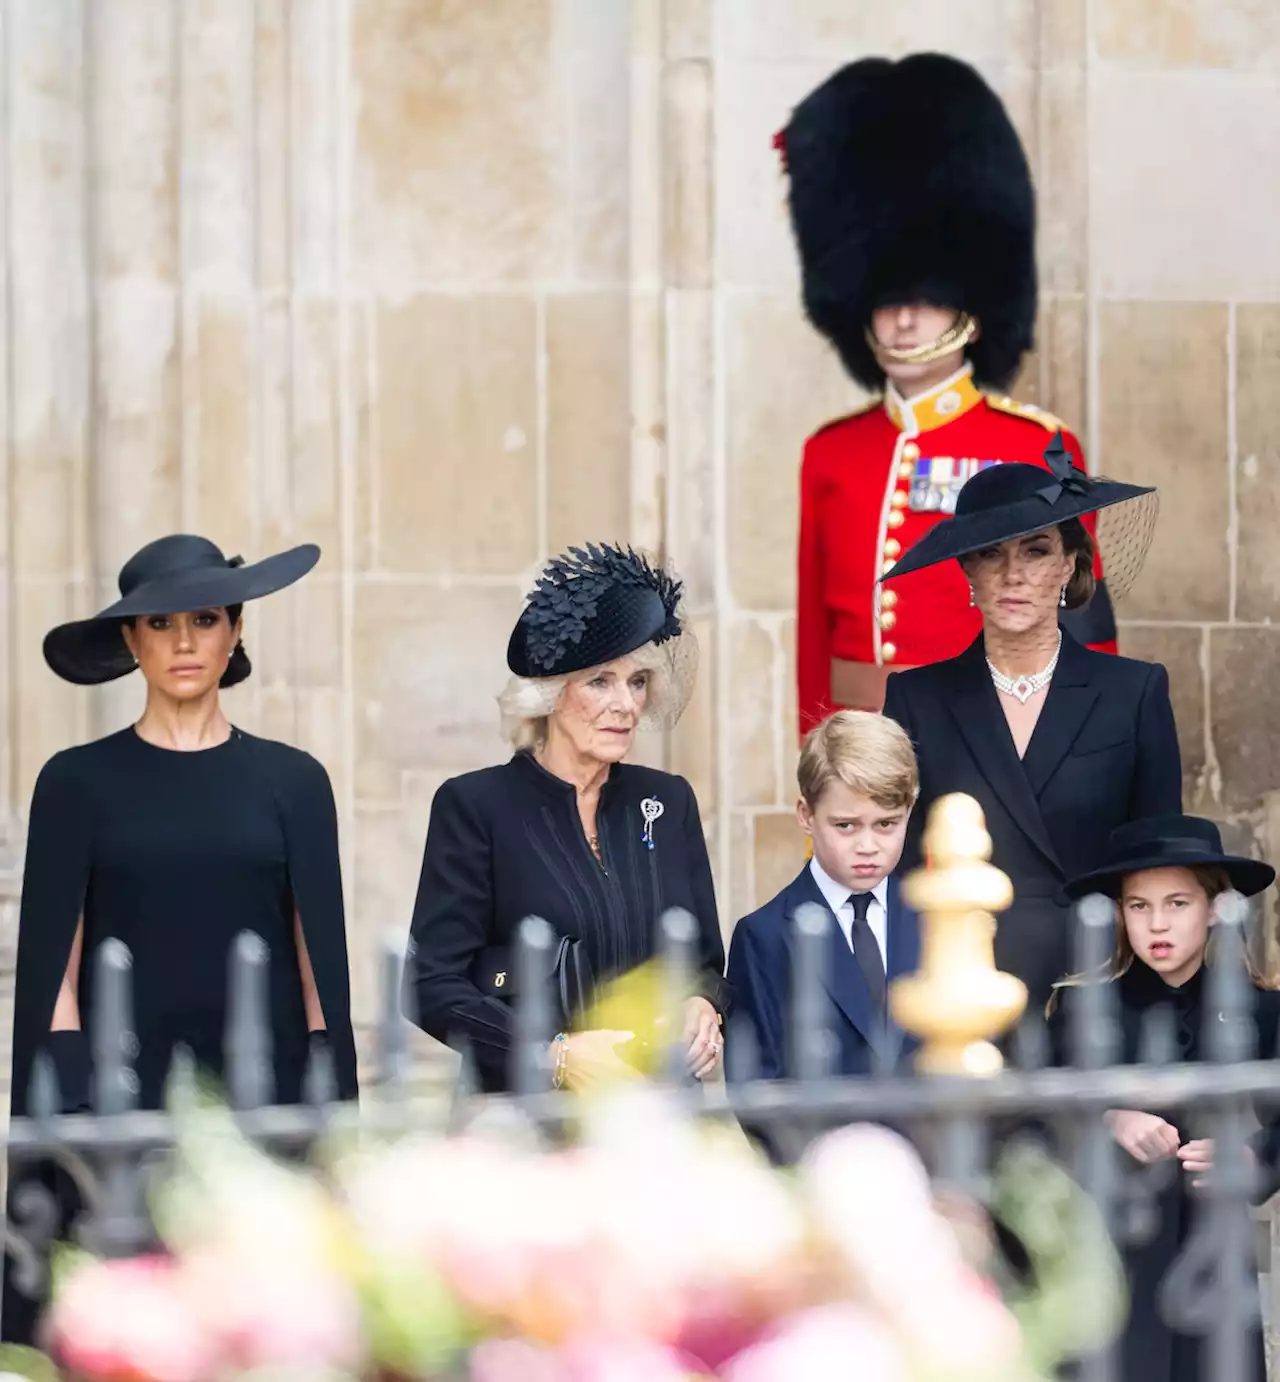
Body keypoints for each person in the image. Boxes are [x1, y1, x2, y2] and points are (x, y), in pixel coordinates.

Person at [4, 534, 358, 1343]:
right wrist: (79, 1104)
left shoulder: (293, 781)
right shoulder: (75, 781)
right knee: (124, 1334)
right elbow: (52, 959)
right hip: (119, 1105)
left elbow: (318, 958)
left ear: (235, 631)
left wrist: (322, 1095)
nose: (185, 642)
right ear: (132, 642)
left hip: (259, 1096)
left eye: (204, 619)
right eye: (160, 624)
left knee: (257, 1331)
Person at [774, 52, 1119, 730]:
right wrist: (815, 756)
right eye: (886, 300)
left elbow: (1082, 622)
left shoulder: (1035, 445)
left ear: (969, 308)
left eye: (927, 299)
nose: (904, 319)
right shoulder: (832, 453)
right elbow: (816, 635)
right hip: (860, 745)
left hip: (986, 742)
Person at [404, 542, 728, 1095]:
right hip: (527, 1123)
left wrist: (703, 1004)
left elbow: (703, 961)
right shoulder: (476, 807)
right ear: (550, 695)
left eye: (637, 681)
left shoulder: (668, 802)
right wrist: (550, 1055)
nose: (626, 703)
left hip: (655, 1114)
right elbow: (431, 985)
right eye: (600, 681)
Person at [880, 447, 1179, 1010]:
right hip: (965, 987)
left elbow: (1159, 866)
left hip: (1100, 987)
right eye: (992, 554)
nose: (1013, 575)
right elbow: (888, 864)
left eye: (1036, 551)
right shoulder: (916, 698)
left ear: (1069, 562)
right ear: (967, 567)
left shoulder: (1134, 693)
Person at [1048, 816, 1280, 1382]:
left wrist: (1254, 1157)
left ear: (1214, 908)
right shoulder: (1080, 1010)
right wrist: (1107, 1115)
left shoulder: (1263, 1011)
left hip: (1215, 1256)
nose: (1157, 923)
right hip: (1112, 1257)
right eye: (1138, 906)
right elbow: (1034, 1120)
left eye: (1177, 904)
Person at [727, 710, 919, 1081]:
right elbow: (757, 1088)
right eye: (846, 826)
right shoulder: (762, 937)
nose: (867, 846)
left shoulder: (935, 916)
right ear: (806, 815)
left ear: (908, 811)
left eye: (886, 824)